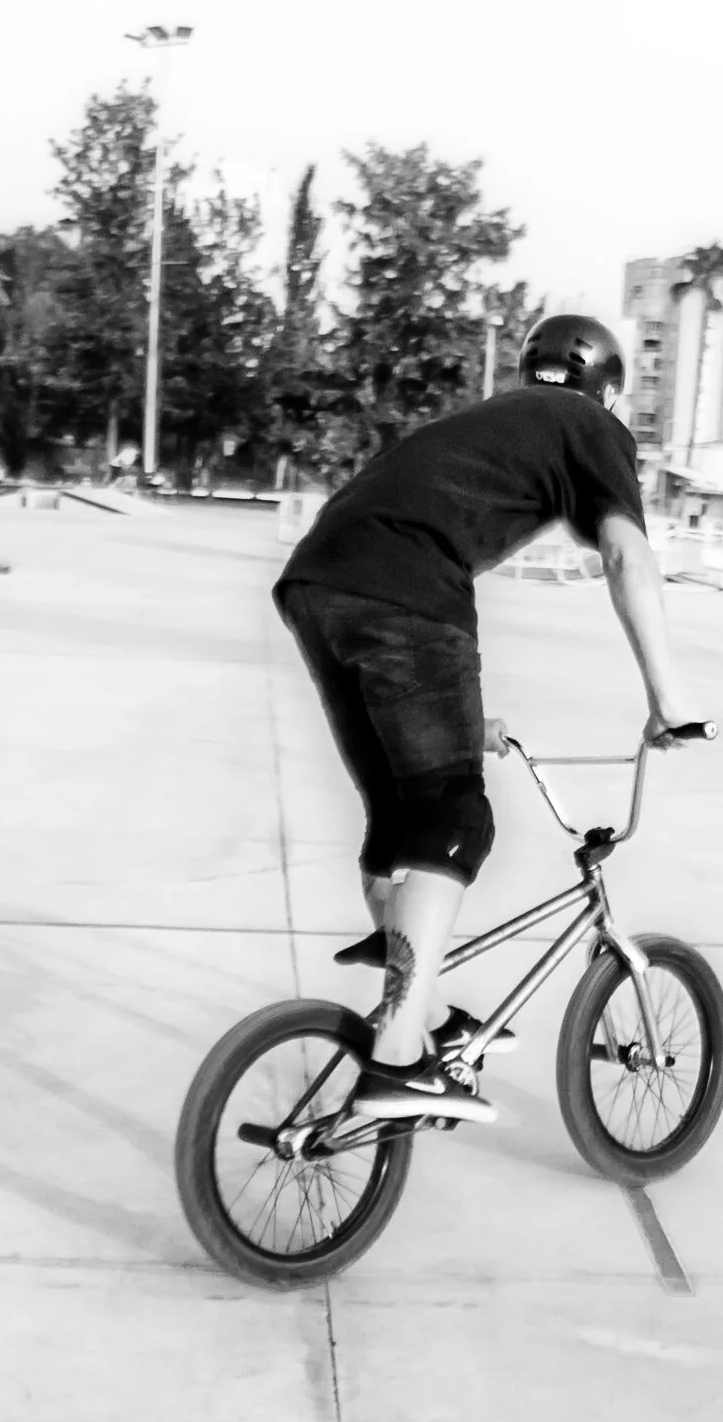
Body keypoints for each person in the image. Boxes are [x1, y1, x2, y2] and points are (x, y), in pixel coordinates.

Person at [275, 313, 697, 1122]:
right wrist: (667, 698)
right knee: (456, 816)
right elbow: (624, 555)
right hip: (402, 594)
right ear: (605, 390)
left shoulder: (491, 421)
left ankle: (421, 1016)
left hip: (316, 587)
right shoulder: (589, 426)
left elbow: (408, 529)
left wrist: (467, 717)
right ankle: (399, 1052)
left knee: (401, 814)